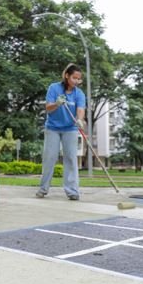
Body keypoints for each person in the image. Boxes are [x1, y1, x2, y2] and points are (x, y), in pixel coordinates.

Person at [36, 63, 86, 200]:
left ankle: (72, 191)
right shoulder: (54, 88)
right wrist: (56, 104)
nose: (76, 81)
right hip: (52, 128)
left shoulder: (79, 94)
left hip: (70, 129)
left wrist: (80, 120)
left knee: (71, 159)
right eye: (74, 78)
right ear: (67, 76)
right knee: (49, 158)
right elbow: (48, 108)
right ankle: (43, 189)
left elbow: (80, 110)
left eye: (78, 79)